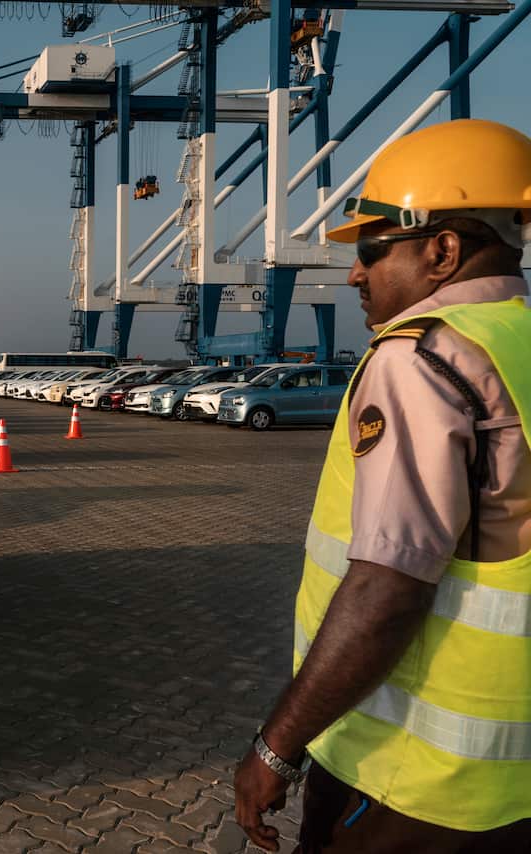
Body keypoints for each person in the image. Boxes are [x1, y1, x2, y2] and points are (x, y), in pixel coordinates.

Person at [234, 118, 531, 852]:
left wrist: (276, 747)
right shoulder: (516, 342)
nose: (356, 274)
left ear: (443, 250)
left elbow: (388, 587)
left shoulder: (422, 360)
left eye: (371, 249)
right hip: (509, 778)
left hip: (413, 779)